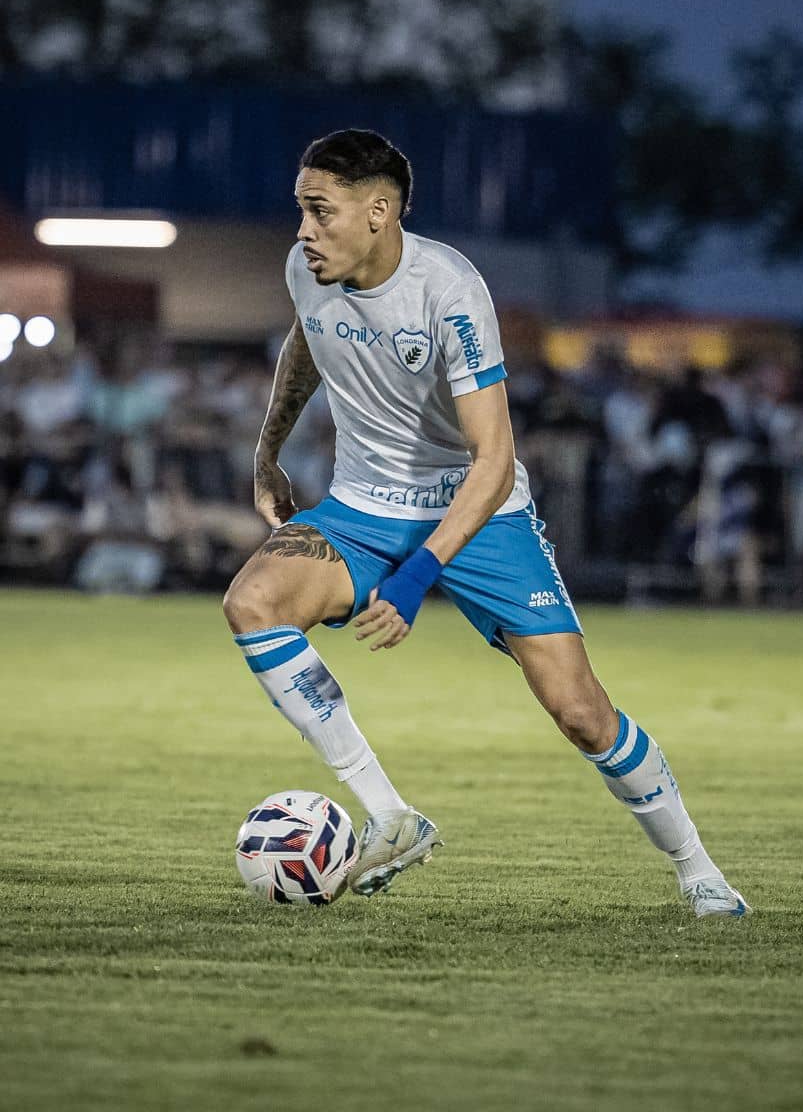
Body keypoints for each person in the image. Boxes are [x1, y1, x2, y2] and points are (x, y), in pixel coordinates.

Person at [222, 130, 747, 917]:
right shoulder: (308, 269)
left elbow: (493, 460)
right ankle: (391, 815)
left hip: (480, 510)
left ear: (377, 212)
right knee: (252, 602)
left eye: (319, 211)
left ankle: (698, 868)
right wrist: (269, 452)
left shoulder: (449, 290)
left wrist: (415, 578)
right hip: (363, 507)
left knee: (580, 711)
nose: (303, 230)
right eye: (301, 209)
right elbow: (308, 340)